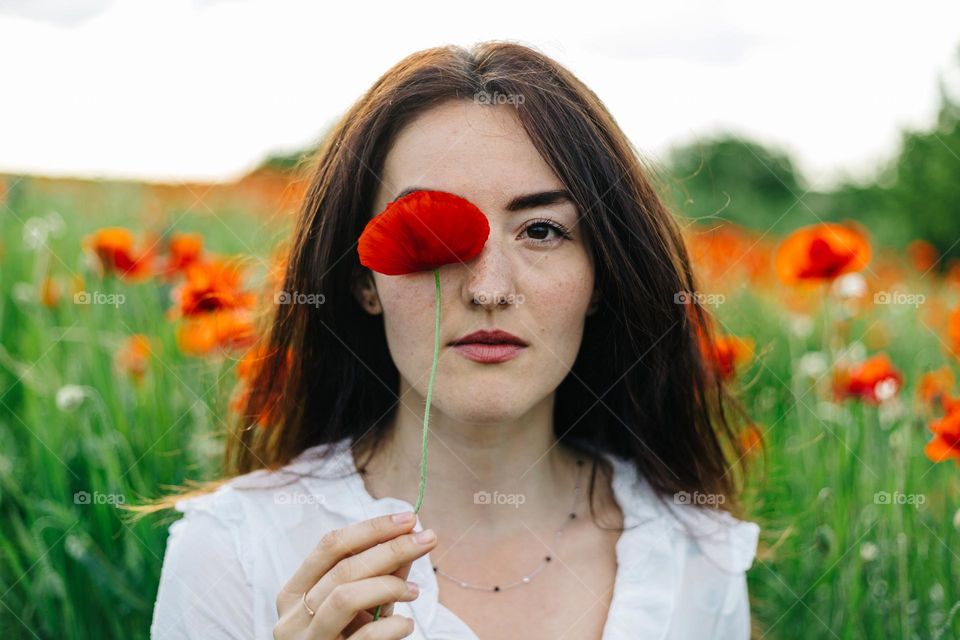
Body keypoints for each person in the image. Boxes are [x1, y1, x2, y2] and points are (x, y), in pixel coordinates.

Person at [146, 40, 761, 639]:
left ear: (600, 277)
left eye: (542, 230)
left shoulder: (694, 557)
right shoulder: (234, 553)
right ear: (366, 281)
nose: (489, 290)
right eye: (428, 234)